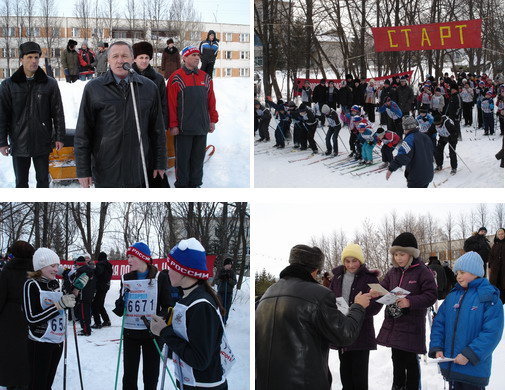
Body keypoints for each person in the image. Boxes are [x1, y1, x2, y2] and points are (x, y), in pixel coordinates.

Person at [255, 244, 371, 389]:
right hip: (303, 382)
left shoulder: (267, 294)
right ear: (315, 270)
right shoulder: (319, 294)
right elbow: (345, 334)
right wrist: (358, 307)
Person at [75, 41, 167, 188]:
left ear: (132, 59)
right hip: (106, 169)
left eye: (124, 56)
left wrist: (160, 162)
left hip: (139, 168)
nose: (120, 60)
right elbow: (83, 132)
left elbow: (157, 130)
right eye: (115, 56)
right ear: (108, 60)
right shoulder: (94, 89)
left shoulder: (149, 88)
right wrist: (82, 169)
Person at [150, 238, 232, 390]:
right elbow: (185, 344)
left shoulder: (201, 305)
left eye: (171, 267)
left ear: (184, 271)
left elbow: (200, 360)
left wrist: (164, 331)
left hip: (204, 385)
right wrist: (166, 328)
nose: (167, 272)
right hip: (190, 381)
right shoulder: (188, 297)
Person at [370, 232, 437, 390]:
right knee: (397, 362)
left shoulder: (422, 271)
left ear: (411, 254)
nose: (399, 258)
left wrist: (410, 301)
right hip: (395, 325)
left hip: (412, 327)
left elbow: (431, 295)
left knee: (411, 364)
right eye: (396, 254)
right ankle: (397, 386)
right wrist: (377, 291)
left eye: (402, 254)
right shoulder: (393, 272)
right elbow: (384, 286)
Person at [429, 251, 504, 389]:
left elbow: (492, 332)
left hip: (473, 370)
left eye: (462, 272)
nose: (458, 277)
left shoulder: (489, 297)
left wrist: (469, 354)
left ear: (475, 272)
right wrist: (437, 347)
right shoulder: (452, 297)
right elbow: (439, 324)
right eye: (457, 273)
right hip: (452, 366)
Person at [0, 41, 66, 188]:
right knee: (21, 183)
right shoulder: (8, 85)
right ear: (21, 59)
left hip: (41, 140)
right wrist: (2, 142)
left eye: (36, 57)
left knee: (43, 181)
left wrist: (60, 137)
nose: (34, 61)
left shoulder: (50, 84)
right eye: (29, 57)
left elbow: (58, 112)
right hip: (19, 141)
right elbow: (2, 115)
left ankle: (41, 209)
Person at [23, 248, 87, 390]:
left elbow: (64, 303)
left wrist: (75, 291)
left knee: (48, 384)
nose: (56, 269)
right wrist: (59, 305)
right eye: (52, 266)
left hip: (57, 341)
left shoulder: (54, 283)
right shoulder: (31, 284)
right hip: (40, 342)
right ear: (40, 266)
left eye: (57, 266)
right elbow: (31, 319)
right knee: (37, 385)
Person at [112, 242, 172, 390]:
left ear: (143, 258)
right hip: (130, 331)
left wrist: (160, 318)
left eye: (132, 256)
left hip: (151, 332)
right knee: (129, 376)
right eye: (128, 257)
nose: (129, 260)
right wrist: (121, 302)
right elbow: (121, 308)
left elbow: (168, 305)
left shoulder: (160, 277)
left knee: (151, 375)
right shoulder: (126, 277)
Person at [328, 243, 382, 390]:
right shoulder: (337, 278)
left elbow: (377, 305)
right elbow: (329, 299)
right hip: (342, 332)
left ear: (361, 261)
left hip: (361, 334)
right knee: (346, 376)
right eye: (347, 261)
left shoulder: (369, 278)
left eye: (354, 260)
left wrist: (360, 309)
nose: (351, 265)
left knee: (359, 378)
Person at [167, 46, 218, 188]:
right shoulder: (176, 78)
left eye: (198, 55)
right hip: (183, 128)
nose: (197, 57)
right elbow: (170, 104)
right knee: (183, 161)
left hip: (201, 127)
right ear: (184, 58)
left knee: (197, 160)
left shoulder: (206, 78)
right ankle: (182, 186)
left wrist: (212, 120)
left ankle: (195, 184)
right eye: (193, 55)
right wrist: (173, 125)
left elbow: (211, 101)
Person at [132, 41, 170, 188]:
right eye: (141, 57)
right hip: (134, 126)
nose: (144, 60)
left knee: (152, 157)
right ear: (134, 58)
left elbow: (163, 104)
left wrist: (163, 124)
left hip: (152, 126)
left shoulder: (158, 79)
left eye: (147, 57)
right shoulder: (127, 77)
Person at [0, 241, 35, 389]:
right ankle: (27, 379)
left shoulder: (7, 271)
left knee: (10, 350)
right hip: (31, 313)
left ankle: (11, 381)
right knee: (28, 348)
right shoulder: (36, 271)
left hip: (10, 316)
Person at [386, 116, 434, 188]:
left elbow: (403, 156)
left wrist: (391, 168)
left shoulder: (410, 139)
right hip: (428, 174)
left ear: (406, 128)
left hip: (417, 176)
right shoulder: (426, 137)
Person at [71, 255, 96, 336]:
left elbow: (75, 281)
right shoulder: (89, 270)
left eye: (77, 265)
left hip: (83, 294)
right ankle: (87, 328)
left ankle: (86, 330)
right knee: (87, 312)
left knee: (83, 313)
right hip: (89, 294)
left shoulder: (81, 271)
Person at [91, 251, 113, 329]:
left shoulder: (100, 264)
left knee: (95, 305)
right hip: (106, 286)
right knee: (100, 304)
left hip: (100, 286)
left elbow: (99, 273)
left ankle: (97, 323)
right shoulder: (109, 265)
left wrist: (93, 270)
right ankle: (106, 320)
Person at [217, 257, 237, 325]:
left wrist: (229, 279)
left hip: (228, 293)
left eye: (230, 264)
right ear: (225, 265)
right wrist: (221, 278)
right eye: (228, 264)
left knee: (226, 308)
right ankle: (218, 320)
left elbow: (234, 282)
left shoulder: (232, 273)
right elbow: (216, 281)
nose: (229, 266)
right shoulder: (221, 272)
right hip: (220, 293)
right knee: (219, 307)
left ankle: (224, 322)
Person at [488, 228, 505, 304]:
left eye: (502, 234)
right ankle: (496, 301)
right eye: (499, 234)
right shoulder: (495, 245)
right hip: (495, 270)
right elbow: (490, 257)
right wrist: (490, 267)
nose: (501, 235)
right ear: (497, 235)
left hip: (504, 269)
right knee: (495, 285)